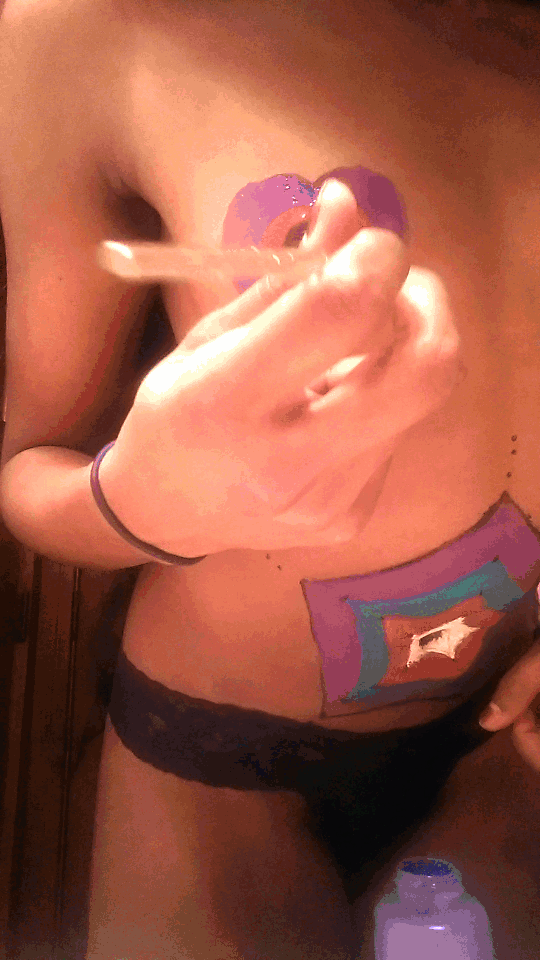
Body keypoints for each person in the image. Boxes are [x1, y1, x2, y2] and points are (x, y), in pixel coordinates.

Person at [0, 0, 539, 957]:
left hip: (513, 747)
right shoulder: (81, 26)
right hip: (216, 764)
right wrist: (137, 506)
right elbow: (23, 470)